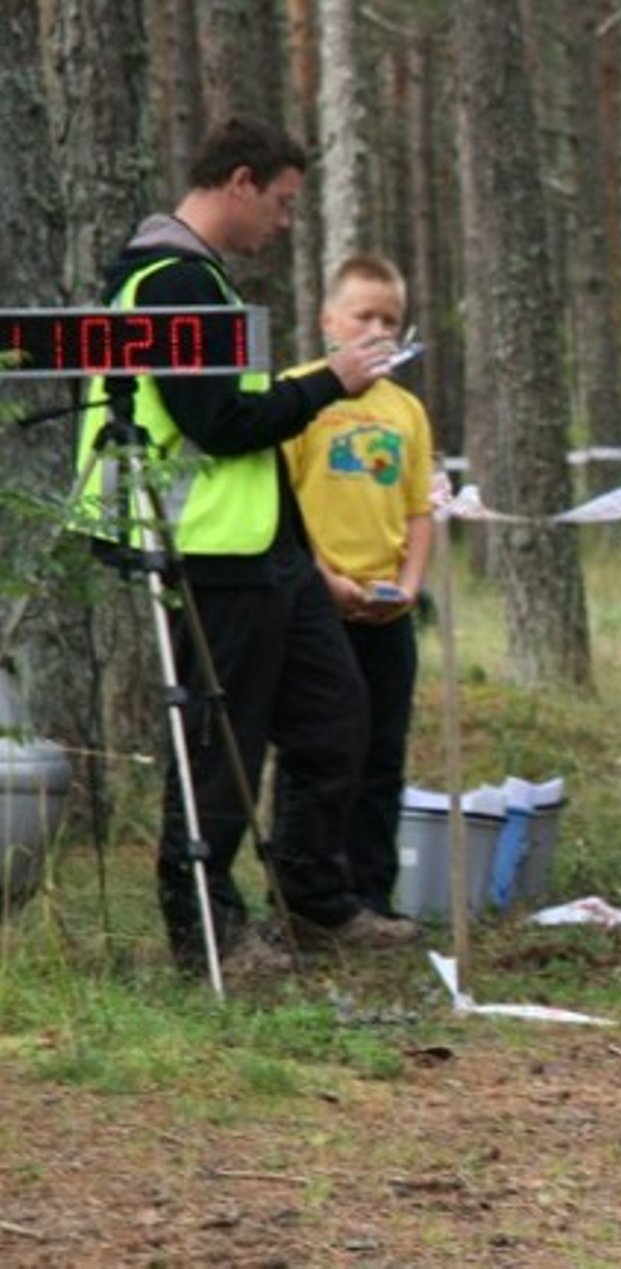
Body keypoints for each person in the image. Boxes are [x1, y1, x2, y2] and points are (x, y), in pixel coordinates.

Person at [74, 118, 418, 975]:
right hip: (205, 547)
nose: (285, 221)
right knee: (219, 747)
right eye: (283, 201)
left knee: (336, 715)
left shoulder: (207, 281)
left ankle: (315, 901)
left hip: (268, 549)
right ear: (239, 182)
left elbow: (247, 434)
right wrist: (326, 383)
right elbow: (220, 423)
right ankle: (207, 932)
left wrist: (309, 558)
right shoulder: (169, 281)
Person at [282, 254, 436, 919]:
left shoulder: (406, 412)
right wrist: (329, 581)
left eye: (390, 319)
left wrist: (406, 583)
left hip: (386, 609)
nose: (377, 329)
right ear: (328, 321)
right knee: (321, 749)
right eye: (363, 315)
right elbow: (282, 505)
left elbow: (419, 509)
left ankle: (373, 892)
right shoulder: (299, 396)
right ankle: (307, 891)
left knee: (382, 750)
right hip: (316, 605)